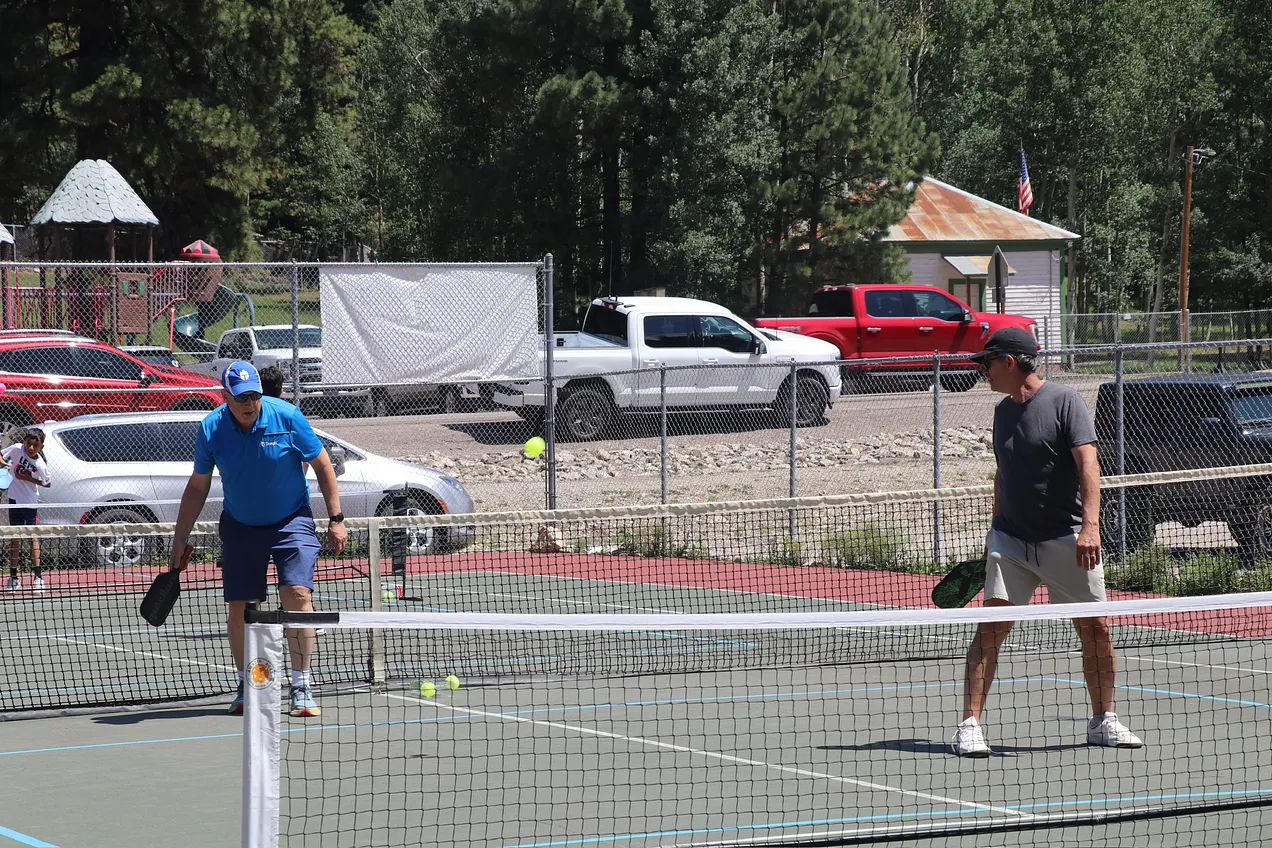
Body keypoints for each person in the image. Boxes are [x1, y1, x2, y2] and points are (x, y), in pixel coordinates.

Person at [952, 327, 1143, 757]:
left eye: (987, 363)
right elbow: (1003, 472)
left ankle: (1104, 720)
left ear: (1010, 362)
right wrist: (994, 530)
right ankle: (969, 726)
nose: (983, 370)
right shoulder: (1003, 411)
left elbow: (1089, 464)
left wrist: (1090, 527)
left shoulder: (1065, 401)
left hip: (1067, 541)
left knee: (1096, 630)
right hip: (1011, 541)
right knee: (990, 630)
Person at [168, 361, 347, 717]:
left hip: (291, 520)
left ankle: (301, 684)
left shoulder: (288, 416)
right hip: (240, 526)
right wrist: (179, 539)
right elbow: (198, 486)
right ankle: (246, 682)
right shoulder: (211, 428)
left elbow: (323, 464)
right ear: (225, 397)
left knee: (297, 595)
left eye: (254, 395)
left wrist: (336, 519)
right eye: (241, 398)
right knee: (242, 606)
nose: (249, 404)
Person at [3, 429, 51, 592]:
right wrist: (6, 465)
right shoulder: (17, 449)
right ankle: (14, 578)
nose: (31, 448)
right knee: (15, 539)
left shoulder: (40, 465)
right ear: (24, 442)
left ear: (41, 446)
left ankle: (38, 578)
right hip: (14, 501)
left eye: (35, 445)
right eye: (28, 444)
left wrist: (28, 478)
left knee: (32, 539)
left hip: (30, 503)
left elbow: (47, 483)